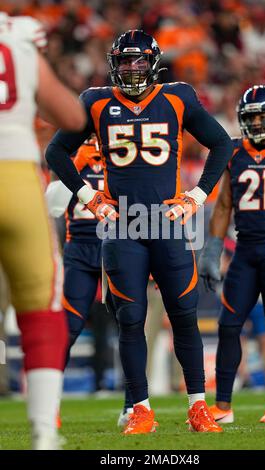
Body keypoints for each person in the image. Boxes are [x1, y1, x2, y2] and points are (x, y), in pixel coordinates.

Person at [45, 29, 233, 434]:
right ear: (115, 63)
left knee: (182, 315)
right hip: (123, 225)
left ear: (153, 62)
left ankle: (198, 407)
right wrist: (89, 196)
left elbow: (222, 144)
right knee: (130, 318)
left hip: (166, 223)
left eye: (139, 60)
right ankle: (141, 410)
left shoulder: (177, 96)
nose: (133, 67)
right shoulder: (95, 101)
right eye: (125, 60)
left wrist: (198, 196)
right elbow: (55, 152)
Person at [0, 12, 86, 449]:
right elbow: (72, 116)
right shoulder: (18, 41)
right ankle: (44, 434)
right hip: (15, 176)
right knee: (42, 309)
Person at [200, 85, 265, 424]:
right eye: (251, 117)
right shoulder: (232, 151)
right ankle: (223, 406)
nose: (257, 123)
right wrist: (212, 252)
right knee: (228, 325)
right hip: (244, 248)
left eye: (262, 116)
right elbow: (225, 203)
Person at [46, 136, 133, 426]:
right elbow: (54, 205)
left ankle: (134, 405)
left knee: (129, 324)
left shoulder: (124, 153)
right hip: (81, 248)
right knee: (69, 327)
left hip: (117, 246)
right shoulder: (70, 156)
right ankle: (49, 404)